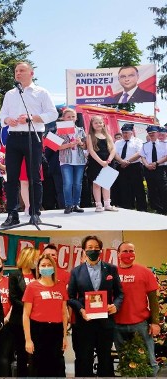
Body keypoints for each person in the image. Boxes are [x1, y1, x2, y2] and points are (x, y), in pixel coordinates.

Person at [0, 62, 58, 227]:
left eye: (22, 70)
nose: (18, 73)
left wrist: (32, 118)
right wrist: (6, 119)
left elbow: (53, 113)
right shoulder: (10, 94)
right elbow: (2, 113)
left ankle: (35, 213)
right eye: (16, 71)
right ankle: (12, 213)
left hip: (33, 137)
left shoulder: (41, 92)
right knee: (11, 178)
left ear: (31, 73)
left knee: (34, 177)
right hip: (13, 137)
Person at [67, 235, 124, 377]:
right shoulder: (76, 271)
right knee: (84, 359)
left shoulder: (111, 269)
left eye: (96, 248)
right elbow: (70, 297)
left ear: (101, 250)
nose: (93, 250)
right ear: (84, 250)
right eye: (90, 248)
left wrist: (115, 306)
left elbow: (119, 294)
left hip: (105, 323)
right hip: (84, 323)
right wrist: (81, 310)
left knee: (105, 359)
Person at [114, 241, 160, 376]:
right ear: (118, 254)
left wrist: (155, 322)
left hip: (141, 325)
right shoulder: (111, 273)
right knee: (125, 363)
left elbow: (153, 300)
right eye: (125, 251)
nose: (129, 254)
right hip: (117, 325)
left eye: (131, 251)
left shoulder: (145, 272)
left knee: (150, 362)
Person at [22, 252, 69, 377]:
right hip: (38, 330)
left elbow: (64, 313)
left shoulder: (60, 286)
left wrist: (64, 336)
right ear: (38, 268)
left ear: (53, 267)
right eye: (43, 265)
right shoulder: (32, 286)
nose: (46, 267)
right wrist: (28, 340)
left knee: (56, 366)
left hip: (56, 330)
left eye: (49, 265)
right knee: (38, 367)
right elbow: (26, 315)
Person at [8, 246, 40, 377]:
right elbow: (13, 297)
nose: (36, 261)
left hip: (37, 320)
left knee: (36, 353)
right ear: (27, 258)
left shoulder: (38, 274)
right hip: (19, 320)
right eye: (35, 259)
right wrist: (29, 307)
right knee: (22, 353)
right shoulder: (15, 275)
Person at [56, 108, 87, 214]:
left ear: (76, 118)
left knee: (78, 183)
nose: (71, 118)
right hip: (66, 160)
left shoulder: (80, 130)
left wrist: (81, 143)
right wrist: (69, 144)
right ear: (63, 118)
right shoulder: (59, 130)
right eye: (68, 116)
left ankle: (76, 204)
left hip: (79, 160)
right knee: (68, 183)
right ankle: (68, 205)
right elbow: (56, 147)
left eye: (73, 116)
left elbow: (86, 146)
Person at [86, 115, 118, 212]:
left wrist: (108, 160)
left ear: (103, 123)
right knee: (96, 184)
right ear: (92, 125)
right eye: (95, 123)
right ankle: (98, 205)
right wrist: (101, 162)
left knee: (106, 184)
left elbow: (113, 149)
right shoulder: (90, 136)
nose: (98, 124)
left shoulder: (108, 135)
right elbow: (91, 150)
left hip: (108, 162)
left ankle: (107, 204)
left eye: (100, 122)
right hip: (96, 162)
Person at [112, 123, 147, 211]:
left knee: (138, 188)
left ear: (131, 132)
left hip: (134, 166)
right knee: (124, 187)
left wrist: (128, 161)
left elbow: (139, 153)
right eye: (123, 133)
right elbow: (115, 153)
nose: (125, 135)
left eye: (127, 132)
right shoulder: (118, 142)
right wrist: (121, 161)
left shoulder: (137, 141)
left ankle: (142, 208)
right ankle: (126, 206)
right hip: (121, 166)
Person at [140, 125, 167, 215]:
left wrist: (156, 163)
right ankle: (157, 208)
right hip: (148, 169)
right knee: (152, 189)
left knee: (163, 189)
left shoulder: (164, 144)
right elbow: (143, 156)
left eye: (153, 133)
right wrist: (147, 165)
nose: (151, 135)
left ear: (158, 133)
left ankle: (165, 208)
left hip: (160, 168)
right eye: (149, 133)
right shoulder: (145, 145)